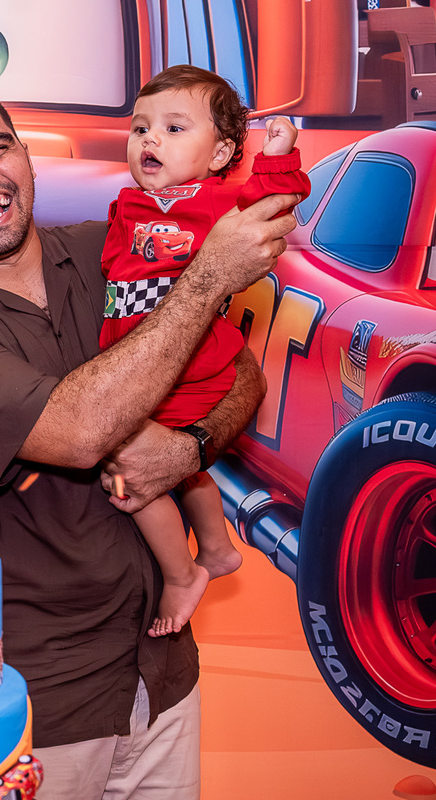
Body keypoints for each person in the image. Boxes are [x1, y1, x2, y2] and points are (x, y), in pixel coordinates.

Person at [0, 84, 297, 799]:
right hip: (39, 706)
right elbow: (80, 435)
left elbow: (242, 380)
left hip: (164, 676)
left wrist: (190, 449)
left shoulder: (114, 250)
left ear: (26, 159)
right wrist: (204, 281)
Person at [101, 65, 310, 637]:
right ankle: (216, 548)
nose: (150, 140)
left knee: (129, 472)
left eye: (173, 129)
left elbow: (277, 198)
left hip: (191, 362)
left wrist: (278, 151)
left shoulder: (216, 200)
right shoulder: (128, 204)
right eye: (140, 128)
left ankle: (180, 572)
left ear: (219, 154)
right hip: (138, 357)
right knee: (179, 463)